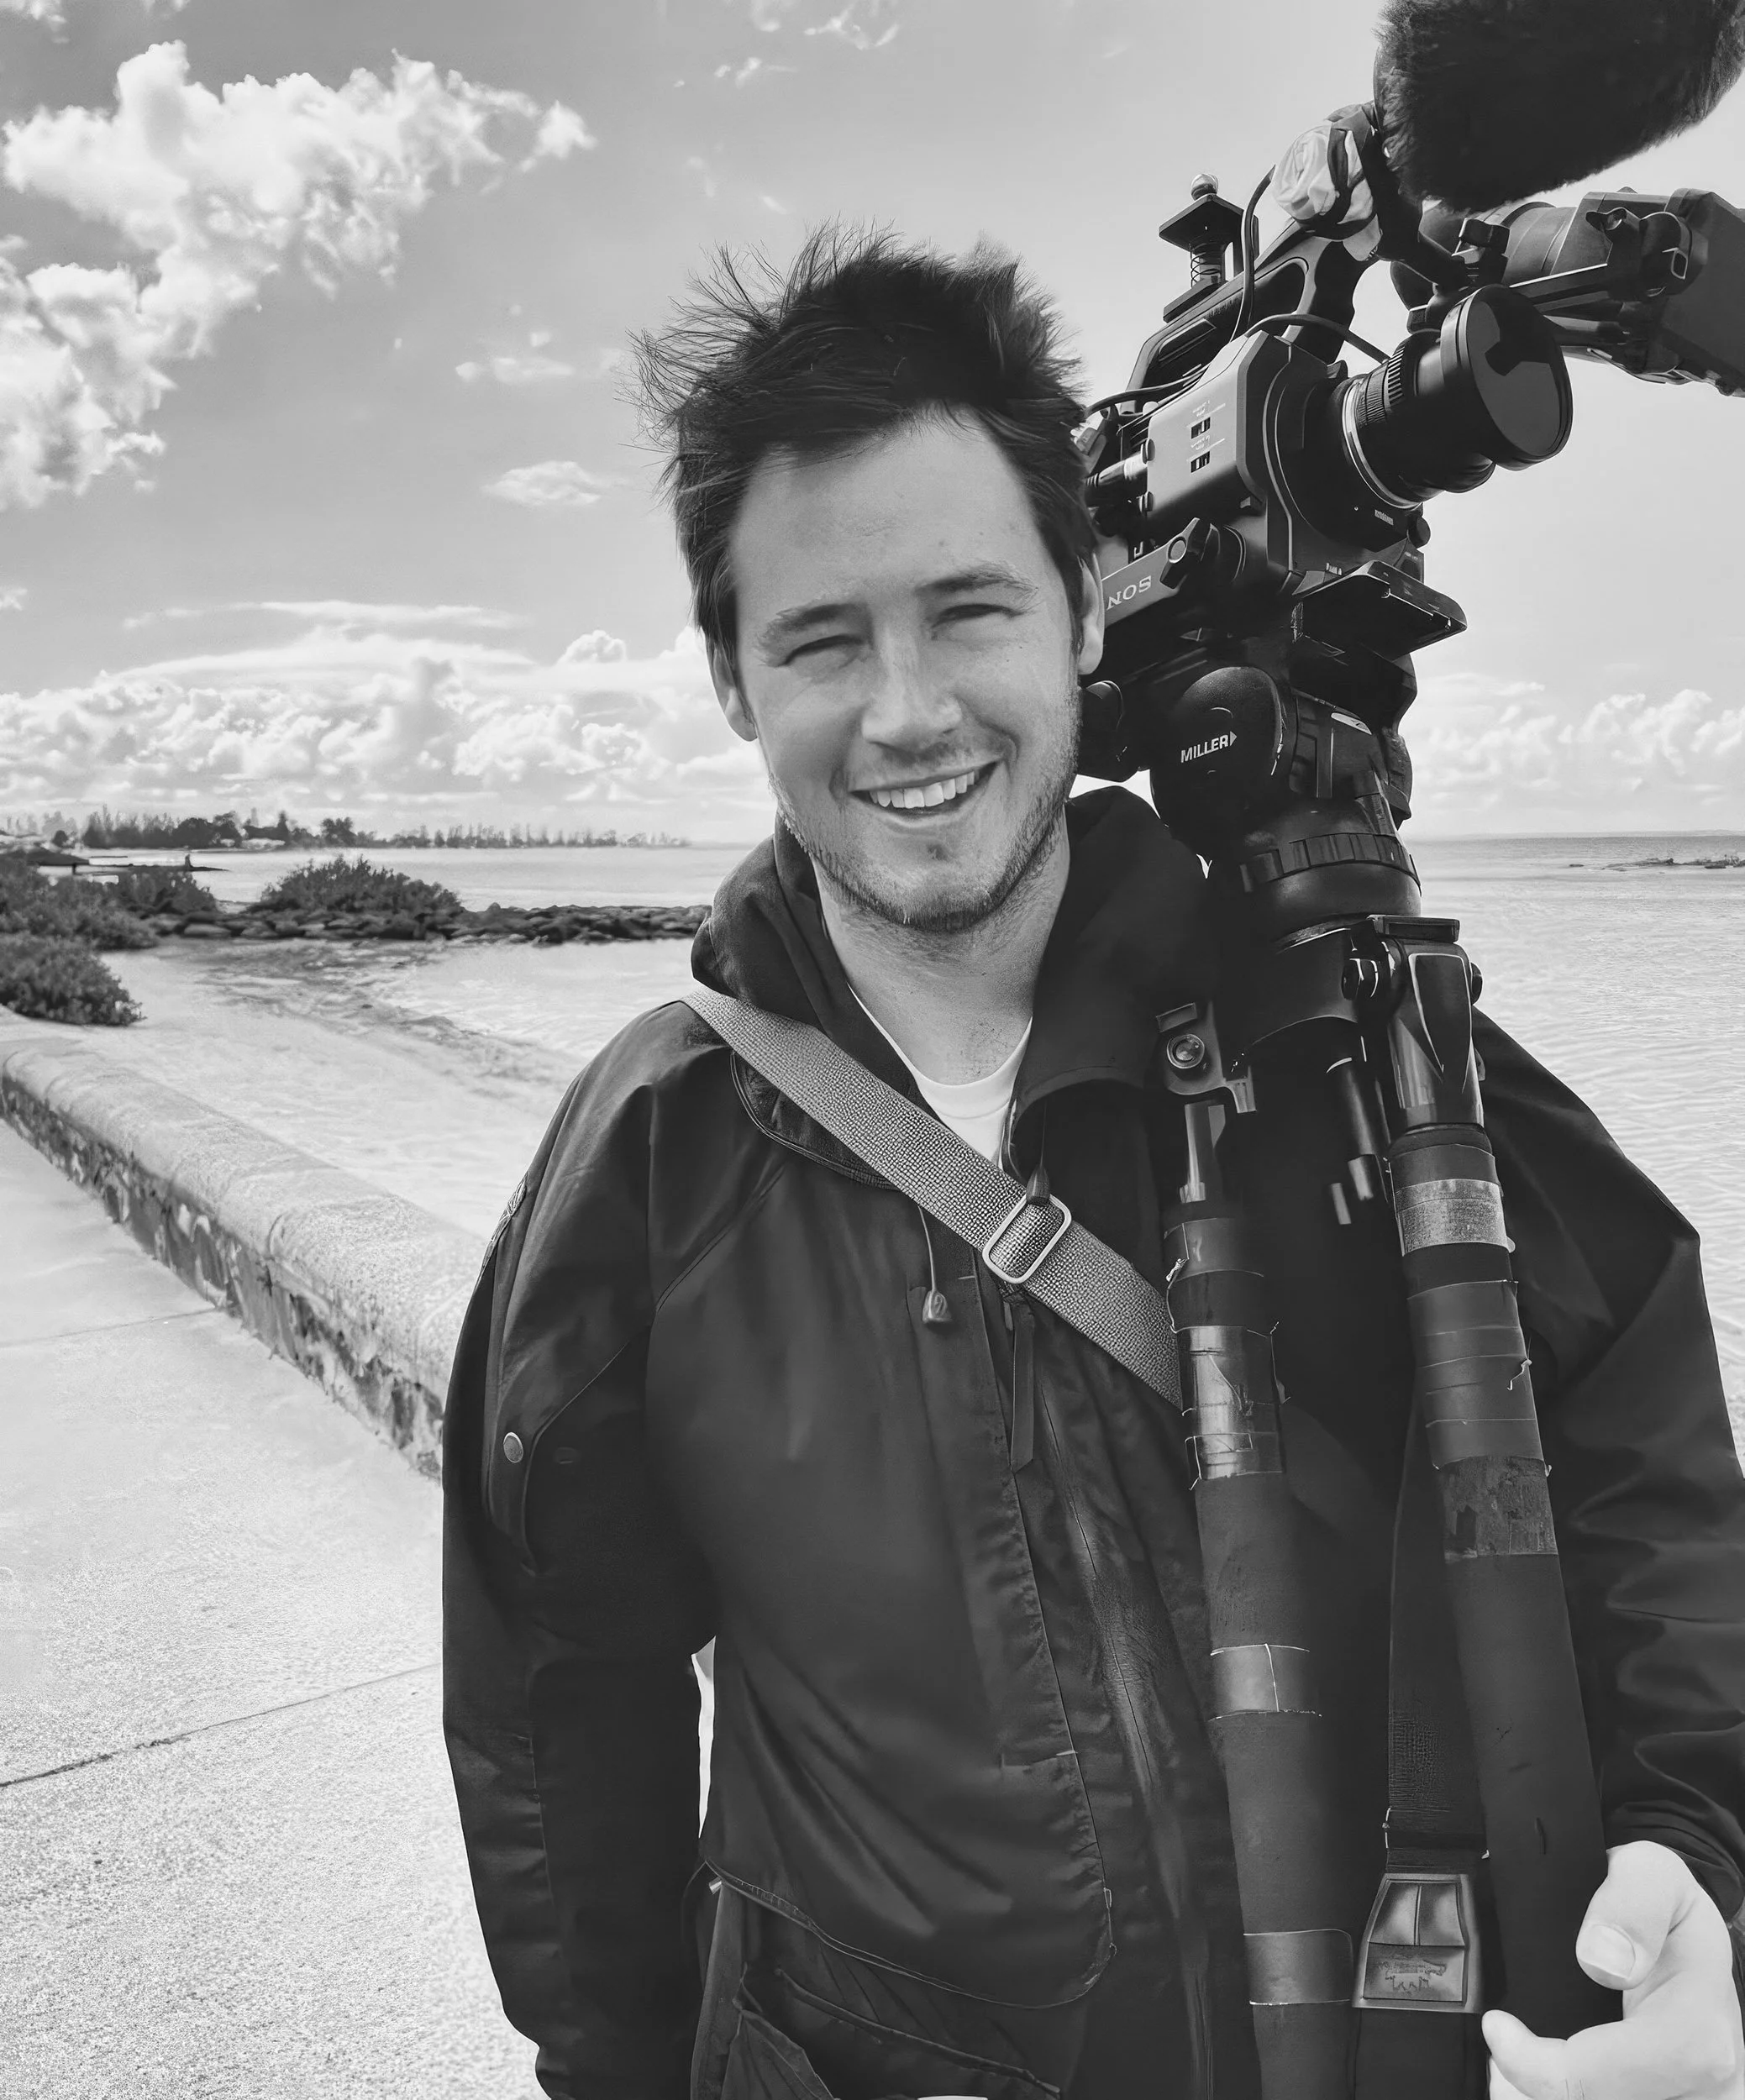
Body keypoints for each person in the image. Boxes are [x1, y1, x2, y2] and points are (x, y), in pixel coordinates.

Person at [441, 229, 1745, 2100]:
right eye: (821, 637)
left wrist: (1700, 1865)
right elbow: (560, 1722)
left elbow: (1644, 1440)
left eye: (970, 609)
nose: (906, 712)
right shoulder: (651, 1155)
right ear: (732, 677)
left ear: (1081, 610)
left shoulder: (1345, 1034)